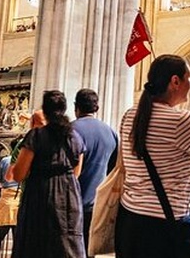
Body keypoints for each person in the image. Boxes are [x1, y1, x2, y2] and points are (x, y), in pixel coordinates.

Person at [116, 54, 190, 258]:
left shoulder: (130, 116)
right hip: (165, 227)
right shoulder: (182, 121)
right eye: (188, 78)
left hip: (130, 223)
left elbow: (125, 164)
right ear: (175, 82)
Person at [11, 90, 86, 258]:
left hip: (40, 193)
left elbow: (19, 174)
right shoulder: (74, 137)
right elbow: (76, 172)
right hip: (68, 197)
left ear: (45, 110)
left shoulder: (36, 136)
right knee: (66, 244)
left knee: (35, 244)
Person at [72, 88, 118, 257]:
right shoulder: (111, 133)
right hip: (100, 206)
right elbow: (115, 170)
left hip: (73, 204)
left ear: (76, 107)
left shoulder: (70, 130)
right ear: (96, 108)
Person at [0, 138, 21, 258]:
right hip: (21, 203)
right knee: (19, 243)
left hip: (6, 201)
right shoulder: (28, 161)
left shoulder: (5, 160)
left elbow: (0, 181)